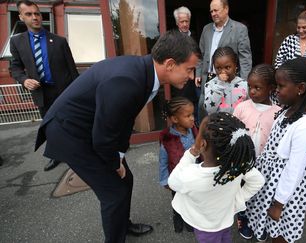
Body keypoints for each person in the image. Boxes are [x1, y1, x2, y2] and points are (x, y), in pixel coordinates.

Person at [34, 30, 201, 243]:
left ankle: (122, 225)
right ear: (169, 64)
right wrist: (115, 162)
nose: (190, 76)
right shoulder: (128, 81)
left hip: (93, 129)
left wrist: (119, 156)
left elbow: (122, 120)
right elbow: (103, 137)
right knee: (113, 192)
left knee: (125, 178)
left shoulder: (143, 71)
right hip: (71, 132)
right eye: (189, 69)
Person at [245, 57, 306, 242]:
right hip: (270, 179)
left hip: (283, 190)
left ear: (301, 88)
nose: (276, 90)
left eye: (281, 86)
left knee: (280, 230)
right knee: (270, 226)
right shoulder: (287, 110)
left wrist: (279, 203)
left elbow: (294, 169)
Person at [168, 112, 265, 243]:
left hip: (206, 227)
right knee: (225, 238)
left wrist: (191, 154)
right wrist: (237, 200)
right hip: (225, 218)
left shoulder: (191, 176)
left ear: (202, 144)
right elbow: (258, 180)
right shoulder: (237, 163)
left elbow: (172, 182)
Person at [9, 0, 79, 171]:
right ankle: (56, 156)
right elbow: (15, 67)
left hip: (63, 91)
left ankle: (77, 154)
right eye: (29, 14)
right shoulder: (17, 42)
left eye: (37, 13)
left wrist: (78, 92)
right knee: (50, 126)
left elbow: (72, 70)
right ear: (21, 17)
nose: (35, 17)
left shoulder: (59, 41)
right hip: (42, 92)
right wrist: (24, 80)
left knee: (70, 123)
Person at [233, 64, 281, 240]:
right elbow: (232, 132)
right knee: (243, 190)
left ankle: (260, 221)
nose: (252, 91)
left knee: (261, 191)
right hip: (242, 161)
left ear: (271, 88)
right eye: (250, 86)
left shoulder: (278, 112)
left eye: (258, 87)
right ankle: (243, 219)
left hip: (265, 163)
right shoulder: (242, 107)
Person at [195, 0, 252, 121]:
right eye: (211, 11)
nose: (213, 13)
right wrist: (198, 72)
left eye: (216, 10)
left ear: (226, 9)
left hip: (229, 80)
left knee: (225, 114)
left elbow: (245, 57)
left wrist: (244, 83)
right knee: (204, 109)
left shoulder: (239, 29)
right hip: (208, 78)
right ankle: (204, 136)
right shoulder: (206, 29)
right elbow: (200, 53)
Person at [159, 97, 197, 233]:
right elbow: (163, 162)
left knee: (191, 198)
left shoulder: (194, 131)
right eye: (188, 116)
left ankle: (189, 219)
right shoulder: (168, 139)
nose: (192, 118)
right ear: (175, 119)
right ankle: (178, 217)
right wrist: (165, 180)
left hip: (193, 176)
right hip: (177, 177)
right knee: (177, 199)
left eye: (193, 114)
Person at [171, 6, 199, 122]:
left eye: (186, 21)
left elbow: (200, 56)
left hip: (195, 79)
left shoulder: (196, 36)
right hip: (180, 79)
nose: (184, 24)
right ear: (177, 23)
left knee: (195, 105)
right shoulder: (172, 38)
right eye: (181, 21)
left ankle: (195, 129)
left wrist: (194, 72)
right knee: (182, 107)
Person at [204, 47, 248, 115]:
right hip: (219, 124)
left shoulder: (245, 85)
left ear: (235, 65)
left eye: (227, 67)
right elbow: (209, 110)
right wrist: (220, 84)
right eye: (218, 68)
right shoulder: (210, 85)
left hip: (239, 124)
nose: (223, 72)